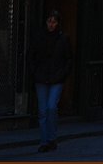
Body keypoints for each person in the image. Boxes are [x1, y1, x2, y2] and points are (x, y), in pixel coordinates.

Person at [27, 10, 72, 153]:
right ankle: (45, 141)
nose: (51, 24)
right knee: (43, 110)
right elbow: (32, 55)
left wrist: (62, 74)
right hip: (42, 77)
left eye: (54, 22)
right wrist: (34, 72)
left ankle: (51, 138)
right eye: (49, 21)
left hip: (56, 78)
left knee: (51, 107)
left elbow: (68, 58)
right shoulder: (39, 37)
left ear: (58, 23)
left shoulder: (63, 38)